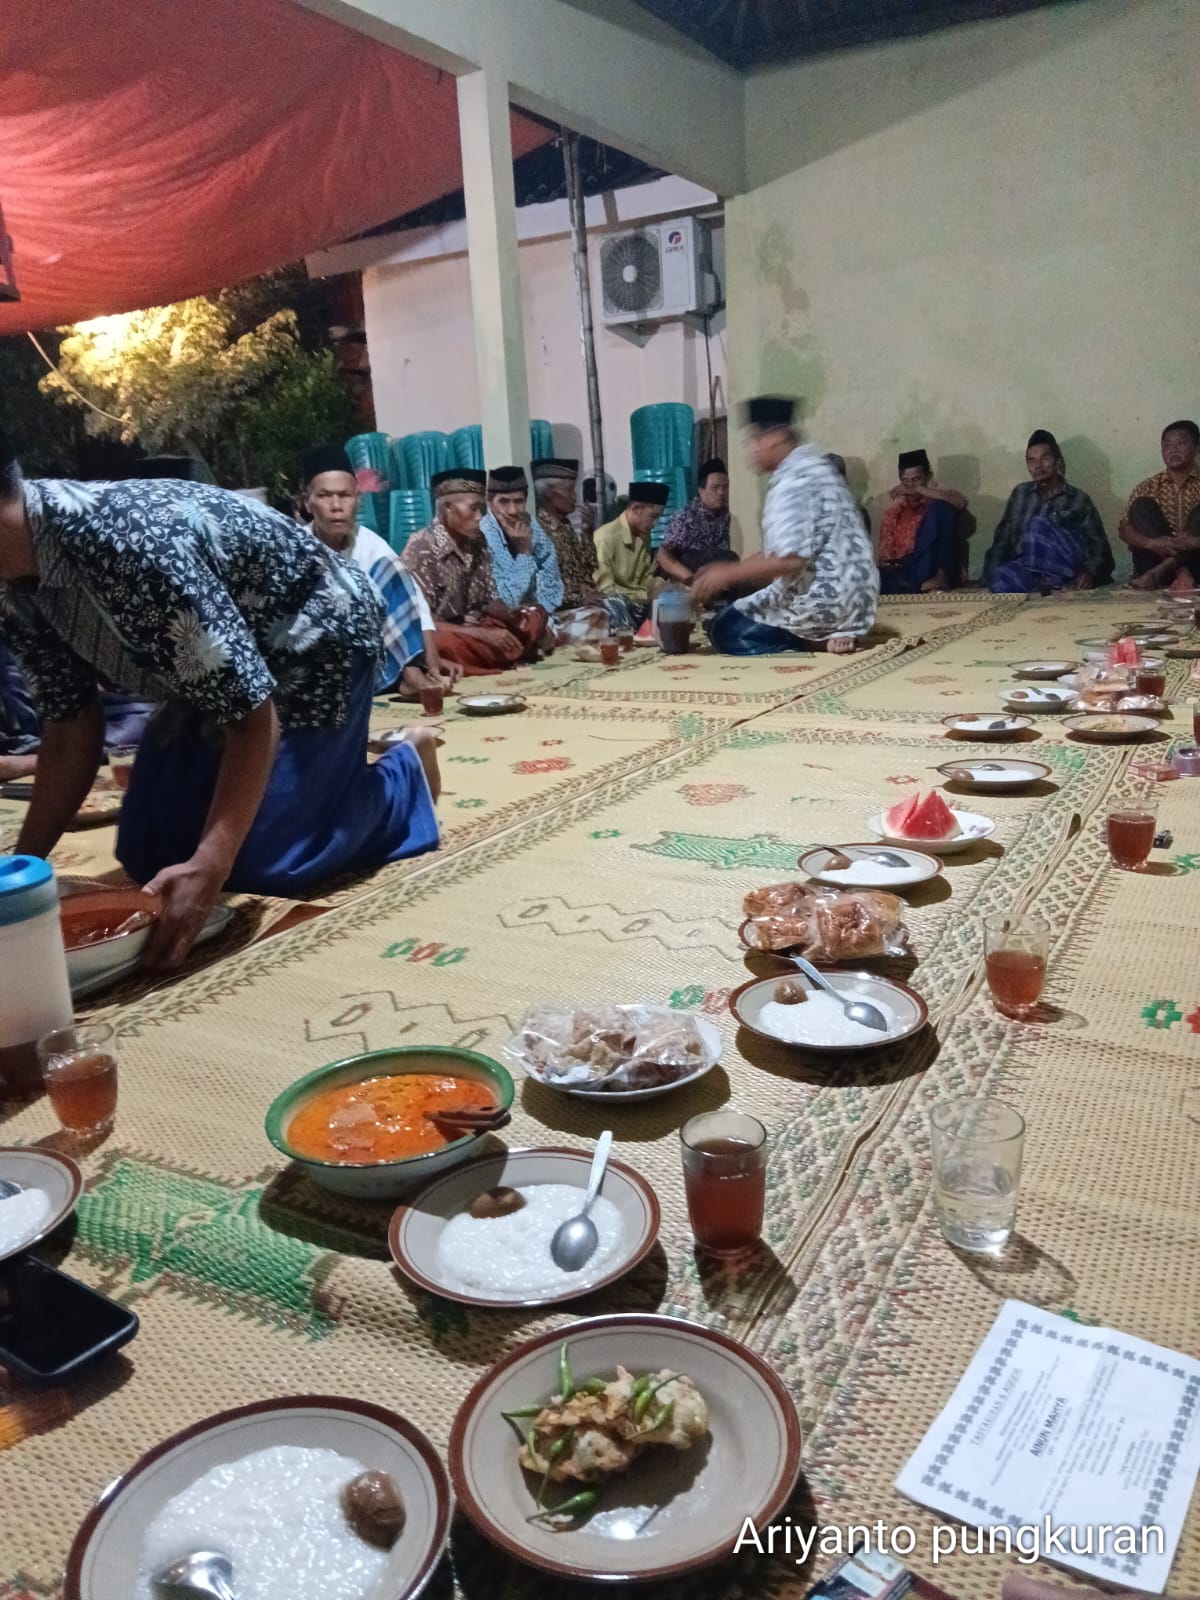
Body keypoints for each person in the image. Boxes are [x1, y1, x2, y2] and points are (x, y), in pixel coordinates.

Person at [0, 432, 439, 966]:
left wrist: (214, 861)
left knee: (265, 861)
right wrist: (18, 880)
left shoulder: (127, 544)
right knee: (145, 848)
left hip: (318, 632)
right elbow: (71, 727)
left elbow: (253, 717)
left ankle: (403, 774)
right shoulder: (13, 577)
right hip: (217, 665)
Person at [694, 396, 878, 656]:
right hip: (856, 601)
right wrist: (733, 570)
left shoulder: (793, 480)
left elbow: (790, 560)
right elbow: (789, 549)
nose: (751, 450)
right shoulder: (814, 466)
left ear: (774, 438)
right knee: (735, 608)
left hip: (826, 600)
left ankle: (816, 640)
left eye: (753, 440)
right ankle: (837, 629)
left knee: (724, 629)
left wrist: (726, 574)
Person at [300, 444, 458, 699]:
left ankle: (412, 676)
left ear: (358, 499)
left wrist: (432, 664)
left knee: (390, 572)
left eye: (345, 495)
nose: (336, 506)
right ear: (307, 502)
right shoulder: (293, 549)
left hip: (368, 656)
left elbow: (415, 603)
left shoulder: (371, 545)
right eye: (325, 496)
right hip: (316, 659)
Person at [401, 469, 544, 674]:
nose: (479, 517)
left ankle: (501, 652)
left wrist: (512, 618)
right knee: (446, 644)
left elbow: (489, 600)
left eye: (481, 510)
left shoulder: (477, 541)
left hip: (476, 626)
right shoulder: (420, 549)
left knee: (534, 616)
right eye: (474, 509)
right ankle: (501, 655)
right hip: (442, 632)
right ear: (448, 508)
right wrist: (481, 635)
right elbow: (420, 622)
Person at [982, 430, 1112, 593]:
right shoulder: (1020, 494)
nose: (1038, 465)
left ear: (1057, 461)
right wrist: (987, 577)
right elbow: (1002, 541)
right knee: (997, 580)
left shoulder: (1078, 499)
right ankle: (1050, 586)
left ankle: (1057, 581)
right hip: (1028, 568)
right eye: (1031, 460)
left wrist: (1089, 572)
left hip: (1064, 568)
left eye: (1045, 458)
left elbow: (1098, 545)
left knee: (1037, 525)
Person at [479, 465, 561, 655]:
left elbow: (550, 569)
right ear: (490, 503)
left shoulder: (529, 523)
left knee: (600, 615)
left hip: (537, 614)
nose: (513, 510)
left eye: (519, 501)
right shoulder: (485, 534)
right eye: (504, 502)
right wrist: (524, 551)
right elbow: (508, 600)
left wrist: (543, 613)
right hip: (505, 619)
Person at [1119, 419, 1200, 591]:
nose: (1173, 449)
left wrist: (1193, 543)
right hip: (1153, 563)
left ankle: (1173, 569)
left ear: (1197, 447)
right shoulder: (1147, 487)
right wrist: (1151, 543)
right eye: (1167, 445)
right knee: (1142, 505)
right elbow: (1124, 531)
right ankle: (1180, 572)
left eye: (1181, 443)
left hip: (1197, 563)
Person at [877, 448, 967, 593]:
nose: (911, 486)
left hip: (931, 565)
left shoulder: (937, 503)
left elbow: (960, 503)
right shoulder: (893, 513)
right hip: (908, 570)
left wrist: (919, 490)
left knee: (942, 506)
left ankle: (940, 579)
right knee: (875, 577)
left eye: (916, 480)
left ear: (928, 477)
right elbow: (886, 558)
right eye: (906, 481)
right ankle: (917, 586)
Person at [592, 482, 668, 633]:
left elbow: (643, 579)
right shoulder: (605, 537)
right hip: (616, 608)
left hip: (637, 605)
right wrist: (647, 595)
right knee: (616, 604)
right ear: (635, 509)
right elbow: (606, 590)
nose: (655, 524)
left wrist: (661, 586)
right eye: (653, 517)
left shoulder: (644, 536)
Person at [654, 458, 737, 583]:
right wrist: (691, 579)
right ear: (701, 491)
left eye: (725, 487)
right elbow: (662, 555)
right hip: (686, 581)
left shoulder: (725, 518)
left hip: (714, 579)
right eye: (715, 487)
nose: (721, 492)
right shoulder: (685, 517)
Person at [533, 457, 600, 609]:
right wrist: (580, 599)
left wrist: (586, 532)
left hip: (585, 602)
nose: (575, 496)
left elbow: (590, 567)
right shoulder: (539, 533)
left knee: (622, 606)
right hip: (562, 612)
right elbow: (541, 589)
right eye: (569, 490)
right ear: (550, 493)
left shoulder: (565, 525)